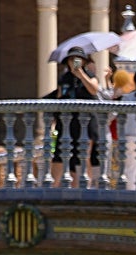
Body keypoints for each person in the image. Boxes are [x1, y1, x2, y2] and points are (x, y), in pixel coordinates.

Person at [46, 46, 99, 177]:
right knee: (61, 154)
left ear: (84, 61)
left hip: (85, 123)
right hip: (67, 122)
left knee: (84, 154)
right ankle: (56, 186)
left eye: (78, 59)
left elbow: (94, 89)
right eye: (72, 60)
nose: (74, 62)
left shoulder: (89, 75)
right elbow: (59, 96)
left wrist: (81, 74)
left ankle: (85, 184)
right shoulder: (64, 78)